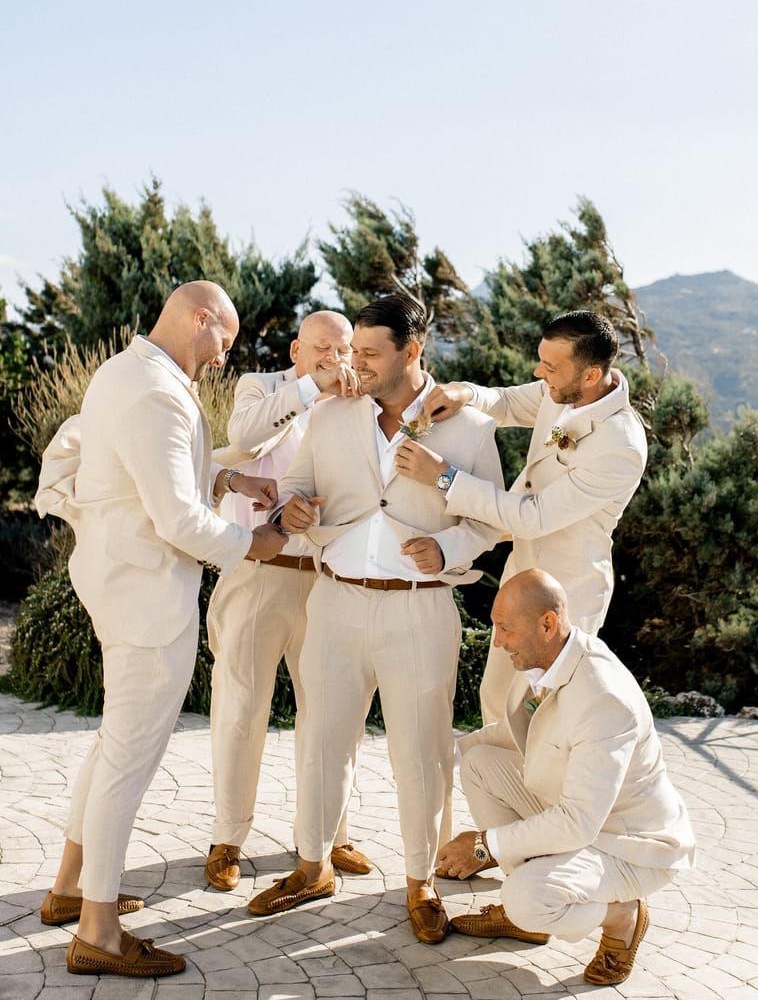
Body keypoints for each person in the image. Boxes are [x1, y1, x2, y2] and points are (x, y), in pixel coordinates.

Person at [34, 281, 286, 978]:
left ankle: (68, 890)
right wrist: (253, 544)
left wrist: (230, 481)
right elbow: (175, 520)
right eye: (223, 342)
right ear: (199, 318)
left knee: (115, 742)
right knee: (129, 758)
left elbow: (150, 477)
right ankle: (98, 932)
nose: (221, 360)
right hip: (145, 596)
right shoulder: (157, 391)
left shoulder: (126, 371)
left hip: (119, 576)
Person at [246, 294, 504, 943]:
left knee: (420, 752)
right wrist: (295, 514)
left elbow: (492, 518)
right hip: (334, 599)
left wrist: (447, 547)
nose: (349, 362)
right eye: (350, 349)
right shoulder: (330, 414)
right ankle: (313, 865)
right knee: (320, 740)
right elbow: (298, 487)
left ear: (411, 353)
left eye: (367, 352)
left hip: (419, 610)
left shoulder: (467, 426)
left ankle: (420, 882)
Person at [437, 569, 695, 985]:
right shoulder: (549, 658)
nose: (498, 641)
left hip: (627, 843)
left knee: (523, 897)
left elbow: (579, 822)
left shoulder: (604, 698)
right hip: (578, 812)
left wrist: (484, 847)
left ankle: (622, 916)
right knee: (481, 764)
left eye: (505, 629)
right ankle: (534, 916)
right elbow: (521, 732)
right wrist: (442, 756)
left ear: (547, 624)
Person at [397, 310, 648, 723]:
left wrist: (444, 478)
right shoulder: (563, 390)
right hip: (522, 576)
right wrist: (466, 394)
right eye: (540, 360)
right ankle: (499, 787)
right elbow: (511, 402)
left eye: (550, 366)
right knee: (496, 700)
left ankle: (541, 790)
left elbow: (532, 517)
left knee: (540, 718)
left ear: (591, 375)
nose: (539, 372)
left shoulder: (619, 446)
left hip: (568, 592)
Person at [204, 310, 374, 891]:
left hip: (329, 579)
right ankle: (228, 836)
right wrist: (311, 390)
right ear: (297, 350)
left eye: (344, 349)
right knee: (240, 706)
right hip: (259, 572)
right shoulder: (262, 388)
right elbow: (244, 438)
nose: (334, 359)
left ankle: (328, 836)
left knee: (331, 715)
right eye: (322, 348)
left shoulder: (358, 405)